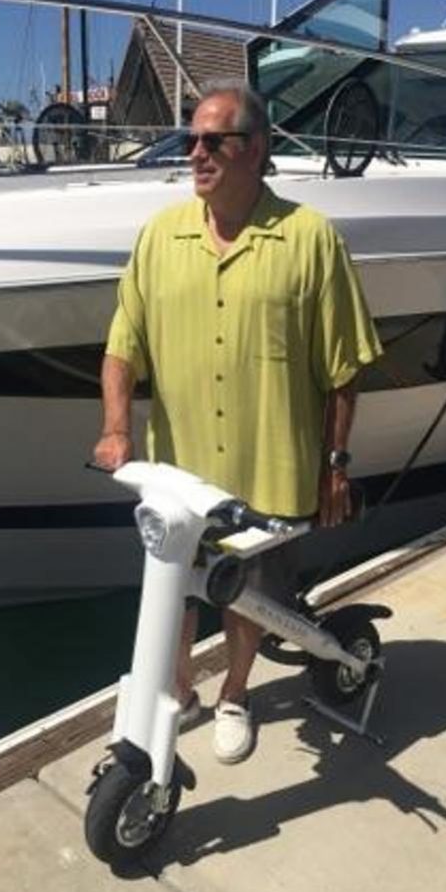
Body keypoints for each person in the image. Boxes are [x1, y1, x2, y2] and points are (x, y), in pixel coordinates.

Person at [93, 79, 382, 764]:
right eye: (190, 139)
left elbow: (344, 369)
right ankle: (177, 693)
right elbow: (120, 346)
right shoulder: (159, 237)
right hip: (179, 472)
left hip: (268, 469)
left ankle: (235, 693)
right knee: (174, 590)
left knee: (248, 596)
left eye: (212, 141)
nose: (195, 153)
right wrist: (115, 429)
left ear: (256, 149)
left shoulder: (311, 240)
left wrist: (335, 466)